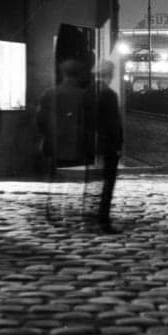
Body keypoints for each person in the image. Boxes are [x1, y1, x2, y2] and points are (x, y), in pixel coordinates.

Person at [37, 58, 91, 222]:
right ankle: (72, 211)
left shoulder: (49, 93)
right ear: (79, 75)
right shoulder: (84, 95)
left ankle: (52, 210)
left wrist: (47, 135)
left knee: (53, 179)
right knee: (75, 179)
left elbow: (40, 119)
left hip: (54, 142)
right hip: (76, 143)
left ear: (62, 74)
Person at [91, 60, 123, 234]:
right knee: (108, 184)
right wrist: (118, 144)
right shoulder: (109, 94)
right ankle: (103, 221)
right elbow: (113, 124)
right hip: (108, 145)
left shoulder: (88, 92)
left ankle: (92, 218)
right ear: (109, 74)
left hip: (92, 144)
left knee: (94, 183)